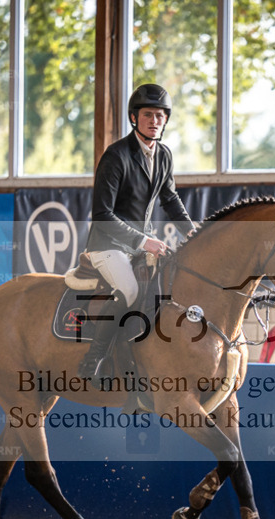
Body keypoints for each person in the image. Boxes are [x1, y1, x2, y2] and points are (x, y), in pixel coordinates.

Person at [78, 83, 194, 379]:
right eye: (148, 115)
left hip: (139, 246)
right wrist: (144, 241)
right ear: (134, 118)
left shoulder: (164, 155)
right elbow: (102, 215)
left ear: (165, 119)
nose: (154, 120)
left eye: (159, 115)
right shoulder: (116, 156)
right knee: (129, 290)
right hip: (107, 245)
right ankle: (95, 359)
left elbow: (170, 200)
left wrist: (193, 235)